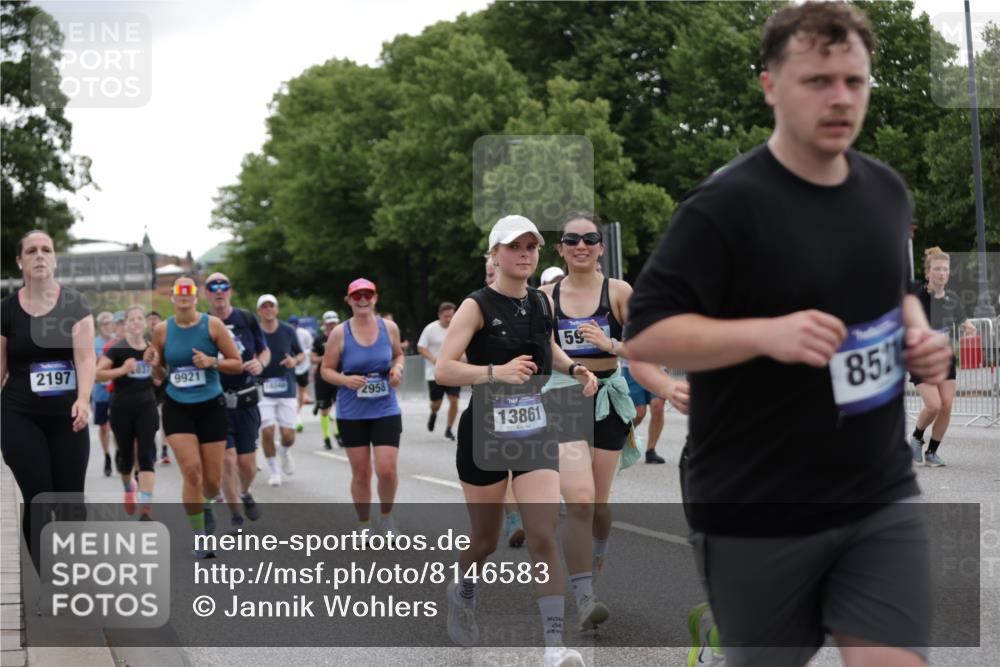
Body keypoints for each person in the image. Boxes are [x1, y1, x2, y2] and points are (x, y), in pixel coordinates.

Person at [624, 4, 952, 666]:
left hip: (877, 492)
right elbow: (646, 333)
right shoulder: (724, 206)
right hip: (757, 502)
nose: (840, 99)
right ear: (771, 85)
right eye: (817, 81)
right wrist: (766, 334)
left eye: (854, 82)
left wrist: (917, 334)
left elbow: (891, 290)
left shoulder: (886, 192)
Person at [435, 215, 597, 667]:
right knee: (485, 540)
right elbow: (444, 369)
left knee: (543, 533)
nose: (525, 253)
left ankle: (553, 646)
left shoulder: (542, 303)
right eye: (514, 247)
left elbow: (551, 348)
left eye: (531, 246)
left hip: (534, 425)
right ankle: (463, 588)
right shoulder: (476, 305)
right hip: (484, 430)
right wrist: (495, 373)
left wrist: (575, 369)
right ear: (495, 255)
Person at [540, 212, 634, 628]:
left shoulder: (618, 291)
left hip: (609, 398)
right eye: (571, 239)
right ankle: (583, 597)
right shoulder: (543, 297)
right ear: (560, 248)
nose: (580, 245)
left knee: (598, 501)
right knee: (578, 498)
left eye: (589, 238)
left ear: (600, 247)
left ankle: (598, 550)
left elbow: (649, 344)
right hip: (563, 397)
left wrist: (610, 343)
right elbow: (539, 347)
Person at [1, 230, 95, 571]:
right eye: (31, 250)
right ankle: (49, 579)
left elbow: (85, 359)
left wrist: (84, 399)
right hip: (19, 415)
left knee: (70, 501)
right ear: (20, 261)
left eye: (46, 250)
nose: (39, 255)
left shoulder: (75, 304)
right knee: (40, 498)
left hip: (67, 416)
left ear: (54, 258)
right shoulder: (6, 311)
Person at [145, 277, 242, 558]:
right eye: (179, 292)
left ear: (196, 297)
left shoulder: (212, 325)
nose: (184, 296)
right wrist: (153, 365)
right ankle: (200, 536)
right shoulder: (162, 330)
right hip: (177, 406)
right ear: (173, 298)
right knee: (192, 471)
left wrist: (212, 361)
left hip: (211, 405)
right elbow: (159, 376)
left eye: (189, 291)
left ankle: (206, 504)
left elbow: (235, 363)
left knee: (212, 481)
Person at [321, 279, 405, 538]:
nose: (362, 299)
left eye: (367, 294)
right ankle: (364, 524)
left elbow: (398, 355)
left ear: (375, 298)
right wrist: (346, 380)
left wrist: (398, 369)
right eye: (356, 296)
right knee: (361, 473)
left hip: (385, 407)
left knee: (387, 470)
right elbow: (325, 370)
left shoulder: (388, 327)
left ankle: (387, 518)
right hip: (352, 411)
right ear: (349, 301)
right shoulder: (339, 333)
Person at [205, 273, 268, 528]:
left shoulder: (245, 318)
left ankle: (245, 492)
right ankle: (235, 515)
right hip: (216, 401)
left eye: (223, 286)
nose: (219, 291)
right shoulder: (203, 323)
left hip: (245, 398)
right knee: (227, 460)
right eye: (213, 287)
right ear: (206, 293)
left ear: (230, 291)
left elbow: (264, 350)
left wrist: (260, 363)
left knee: (247, 464)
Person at [908, 247, 977, 467]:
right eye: (936, 269)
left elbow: (963, 322)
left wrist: (970, 328)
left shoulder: (953, 298)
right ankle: (917, 437)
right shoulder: (917, 295)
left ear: (948, 273)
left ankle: (932, 452)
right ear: (928, 273)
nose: (941, 273)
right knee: (934, 405)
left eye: (945, 269)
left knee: (946, 406)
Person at [97, 305, 158, 519]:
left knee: (146, 455)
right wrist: (122, 370)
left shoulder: (152, 347)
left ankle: (146, 508)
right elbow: (97, 374)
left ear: (144, 323)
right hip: (122, 409)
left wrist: (157, 364)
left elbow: (160, 378)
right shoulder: (117, 349)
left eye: (140, 318)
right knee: (126, 459)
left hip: (147, 407)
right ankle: (129, 490)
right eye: (132, 319)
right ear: (126, 324)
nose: (136, 322)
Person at [256, 294, 304, 487]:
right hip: (262, 388)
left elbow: (300, 353)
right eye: (264, 306)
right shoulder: (255, 332)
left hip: (286, 387)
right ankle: (274, 470)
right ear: (259, 311)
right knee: (267, 432)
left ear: (276, 309)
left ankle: (284, 451)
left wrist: (294, 361)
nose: (268, 309)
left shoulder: (287, 330)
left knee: (288, 435)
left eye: (271, 306)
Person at [417, 302, 460, 441]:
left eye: (451, 316)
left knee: (454, 400)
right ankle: (433, 413)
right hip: (434, 371)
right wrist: (433, 359)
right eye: (446, 316)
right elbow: (421, 347)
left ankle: (449, 429)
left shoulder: (457, 328)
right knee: (437, 403)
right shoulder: (430, 329)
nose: (448, 319)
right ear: (439, 315)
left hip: (453, 370)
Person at [313, 311, 342, 448]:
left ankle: (339, 434)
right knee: (324, 410)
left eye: (334, 322)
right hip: (323, 378)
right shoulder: (318, 340)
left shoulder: (344, 337)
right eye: (329, 323)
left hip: (340, 377)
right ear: (324, 324)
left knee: (340, 407)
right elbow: (312, 359)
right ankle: (326, 438)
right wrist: (328, 357)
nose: (332, 325)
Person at [93, 311, 116, 475]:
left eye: (110, 323)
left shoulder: (119, 342)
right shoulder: (94, 343)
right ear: (100, 326)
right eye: (105, 324)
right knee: (103, 427)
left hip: (117, 391)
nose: (108, 327)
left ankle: (119, 453)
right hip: (100, 391)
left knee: (117, 426)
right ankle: (107, 455)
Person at [146, 311, 169, 463]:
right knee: (151, 419)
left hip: (165, 382)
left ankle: (165, 450)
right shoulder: (143, 340)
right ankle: (153, 449)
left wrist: (161, 374)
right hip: (148, 385)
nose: (153, 322)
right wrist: (153, 375)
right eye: (150, 320)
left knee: (163, 417)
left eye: (156, 319)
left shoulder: (167, 337)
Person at [288, 314, 314, 432]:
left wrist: (302, 354)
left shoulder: (304, 333)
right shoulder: (287, 333)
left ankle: (297, 412)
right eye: (291, 325)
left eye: (295, 324)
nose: (293, 327)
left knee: (301, 392)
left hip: (303, 366)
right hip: (291, 367)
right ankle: (294, 415)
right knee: (293, 391)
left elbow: (311, 347)